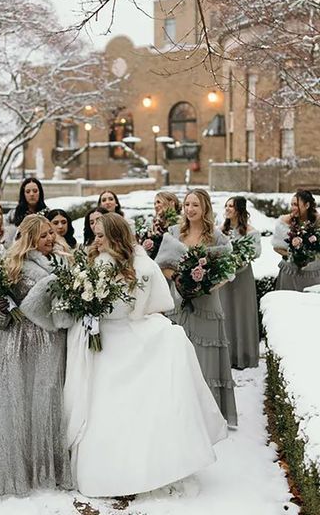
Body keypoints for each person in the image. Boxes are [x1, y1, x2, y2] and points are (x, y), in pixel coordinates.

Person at [64, 213, 227, 498]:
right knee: (103, 405)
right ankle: (107, 469)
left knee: (137, 402)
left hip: (127, 335)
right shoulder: (93, 262)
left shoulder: (141, 265)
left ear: (116, 236)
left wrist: (131, 313)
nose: (96, 240)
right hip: (103, 342)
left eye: (102, 235)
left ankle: (151, 465)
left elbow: (159, 302)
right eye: (95, 234)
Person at [0, 214, 73, 496]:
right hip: (19, 341)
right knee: (17, 402)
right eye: (44, 234)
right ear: (31, 238)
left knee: (44, 402)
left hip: (50, 341)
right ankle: (14, 466)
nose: (51, 238)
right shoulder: (14, 263)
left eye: (52, 233)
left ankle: (42, 467)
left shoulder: (60, 261)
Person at [155, 189, 238, 426]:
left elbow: (228, 271)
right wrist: (179, 278)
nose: (190, 209)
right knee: (179, 354)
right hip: (178, 302)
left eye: (195, 205)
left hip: (207, 302)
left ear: (205, 209)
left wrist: (206, 286)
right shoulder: (173, 233)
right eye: (187, 205)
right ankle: (180, 411)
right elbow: (162, 265)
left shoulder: (218, 238)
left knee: (205, 356)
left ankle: (208, 415)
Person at [219, 196, 261, 369]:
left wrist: (237, 262)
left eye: (232, 206)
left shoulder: (251, 232)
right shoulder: (220, 231)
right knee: (226, 312)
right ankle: (227, 356)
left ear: (240, 210)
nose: (228, 209)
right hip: (223, 279)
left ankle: (244, 356)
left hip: (242, 278)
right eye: (226, 206)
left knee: (242, 313)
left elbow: (254, 254)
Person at [272, 189, 320, 291]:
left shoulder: (318, 220)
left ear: (307, 205)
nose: (293, 208)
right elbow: (276, 247)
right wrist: (293, 255)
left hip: (313, 274)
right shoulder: (285, 221)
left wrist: (310, 254)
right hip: (290, 272)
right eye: (291, 204)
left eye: (296, 204)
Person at [6, 178, 48, 243]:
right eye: (28, 191)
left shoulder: (48, 214)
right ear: (23, 194)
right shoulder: (13, 215)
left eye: (35, 191)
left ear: (40, 193)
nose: (31, 194)